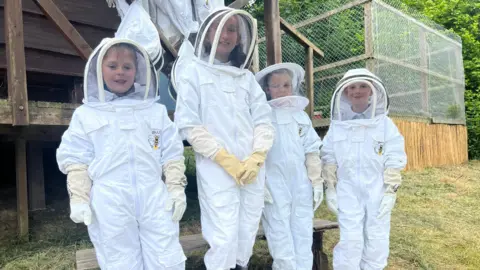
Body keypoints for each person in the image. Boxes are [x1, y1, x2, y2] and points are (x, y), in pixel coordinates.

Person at [56, 38, 187, 269]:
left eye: (127, 67)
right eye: (113, 66)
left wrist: (175, 188)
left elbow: (169, 150)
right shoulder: (86, 115)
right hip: (110, 200)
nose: (120, 72)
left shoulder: (154, 112)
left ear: (138, 71)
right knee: (119, 261)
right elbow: (76, 159)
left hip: (154, 196)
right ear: (99, 69)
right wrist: (79, 197)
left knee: (167, 258)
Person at [172, 7, 275, 270]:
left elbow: (264, 119)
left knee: (248, 225)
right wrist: (224, 158)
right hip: (217, 167)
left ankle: (241, 266)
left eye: (232, 29)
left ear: (240, 38)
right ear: (207, 35)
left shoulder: (247, 78)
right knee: (224, 230)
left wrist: (258, 155)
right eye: (219, 28)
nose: (225, 34)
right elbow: (188, 124)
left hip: (252, 167)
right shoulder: (193, 73)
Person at [321, 68, 407, 270]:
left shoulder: (385, 125)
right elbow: (329, 157)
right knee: (350, 238)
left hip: (376, 187)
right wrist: (330, 188)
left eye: (362, 86)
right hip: (347, 188)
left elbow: (394, 156)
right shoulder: (338, 126)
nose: (356, 91)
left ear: (372, 91)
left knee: (376, 235)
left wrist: (390, 190)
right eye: (352, 87)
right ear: (344, 92)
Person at [255, 63, 323, 270]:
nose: (282, 89)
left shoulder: (301, 116)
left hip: (300, 185)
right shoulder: (261, 115)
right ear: (267, 89)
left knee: (303, 234)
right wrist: (261, 183)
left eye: (286, 84)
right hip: (274, 185)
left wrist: (316, 181)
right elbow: (255, 152)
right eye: (276, 86)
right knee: (279, 234)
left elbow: (311, 150)